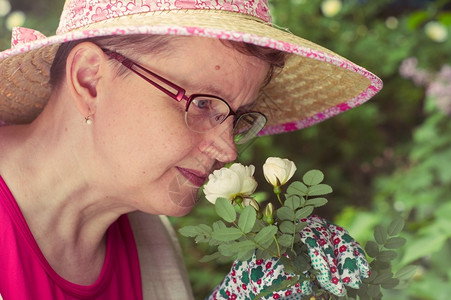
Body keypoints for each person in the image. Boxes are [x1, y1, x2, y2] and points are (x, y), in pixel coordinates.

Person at [0, 0, 382, 299]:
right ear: (90, 80)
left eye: (238, 118)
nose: (228, 150)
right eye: (202, 104)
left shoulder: (150, 239)